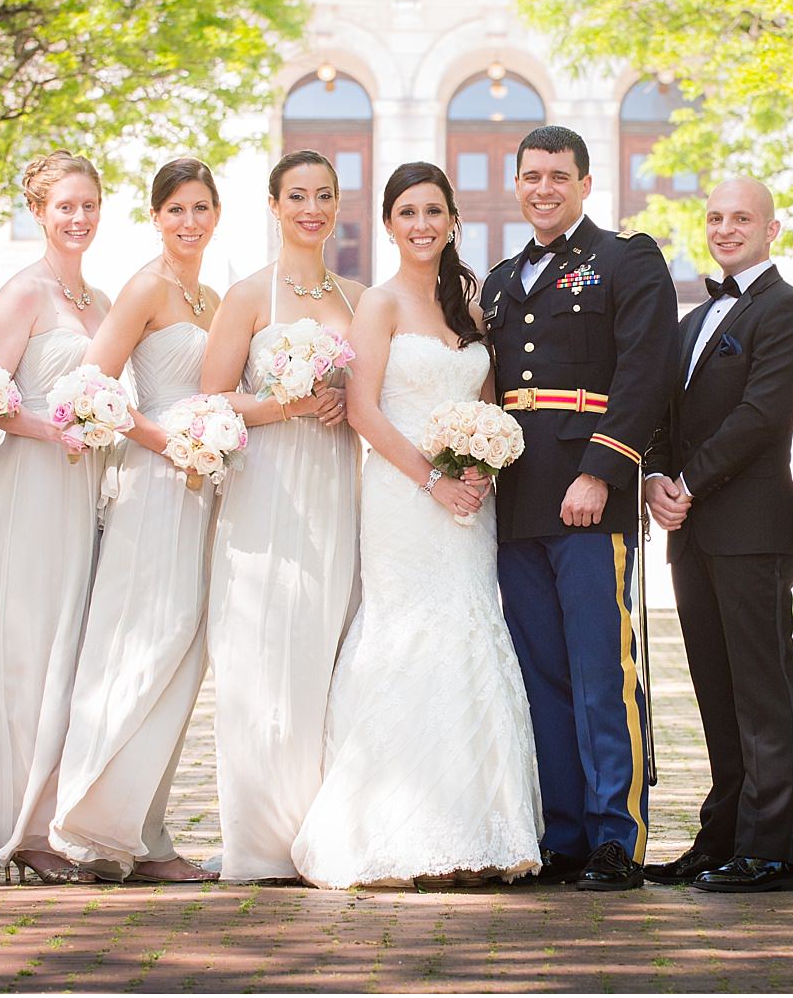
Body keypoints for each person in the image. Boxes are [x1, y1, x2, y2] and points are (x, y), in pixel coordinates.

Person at [291, 162, 544, 889]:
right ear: (389, 224)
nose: (422, 224)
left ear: (452, 220)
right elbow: (365, 409)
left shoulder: (470, 302)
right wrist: (432, 480)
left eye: (434, 211)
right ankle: (397, 828)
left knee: (471, 630)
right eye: (408, 212)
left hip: (470, 499)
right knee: (411, 634)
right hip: (406, 497)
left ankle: (480, 831)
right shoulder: (379, 304)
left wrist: (481, 468)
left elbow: (490, 402)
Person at [481, 125, 678, 892]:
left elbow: (646, 371)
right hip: (519, 495)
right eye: (531, 176)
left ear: (585, 183)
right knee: (542, 673)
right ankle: (563, 832)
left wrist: (603, 469)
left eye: (558, 176)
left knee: (602, 669)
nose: (543, 189)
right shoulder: (497, 281)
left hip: (589, 495)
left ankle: (614, 838)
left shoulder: (625, 259)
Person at [0, 151, 108, 884]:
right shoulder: (22, 294)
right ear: (39, 212)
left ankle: (51, 816)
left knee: (69, 654)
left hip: (87, 486)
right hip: (32, 486)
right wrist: (57, 430)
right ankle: (11, 822)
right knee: (24, 645)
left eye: (89, 205)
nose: (78, 218)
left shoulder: (98, 301)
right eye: (65, 206)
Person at [641, 178, 793, 894]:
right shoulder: (691, 322)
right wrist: (655, 476)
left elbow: (761, 417)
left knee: (762, 695)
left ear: (771, 228)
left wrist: (688, 483)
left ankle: (770, 851)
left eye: (741, 217)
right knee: (717, 694)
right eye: (715, 217)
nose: (725, 228)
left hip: (753, 530)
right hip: (692, 535)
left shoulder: (790, 312)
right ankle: (722, 839)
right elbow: (662, 414)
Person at [49, 159, 225, 884]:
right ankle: (92, 823)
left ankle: (146, 833)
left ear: (217, 216)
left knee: (183, 658)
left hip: (204, 490)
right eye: (176, 209)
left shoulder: (213, 298)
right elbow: (91, 388)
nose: (189, 221)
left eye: (201, 208)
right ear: (156, 217)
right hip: (153, 486)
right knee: (141, 645)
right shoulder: (147, 287)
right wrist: (171, 444)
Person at [200, 149, 364, 882]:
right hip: (266, 486)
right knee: (263, 650)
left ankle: (316, 825)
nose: (311, 208)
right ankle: (260, 839)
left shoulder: (359, 298)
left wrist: (343, 404)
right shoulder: (246, 296)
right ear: (273, 205)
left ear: (338, 205)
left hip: (335, 487)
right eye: (297, 195)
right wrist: (284, 405)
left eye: (324, 195)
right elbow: (210, 400)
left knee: (323, 650)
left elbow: (377, 398)